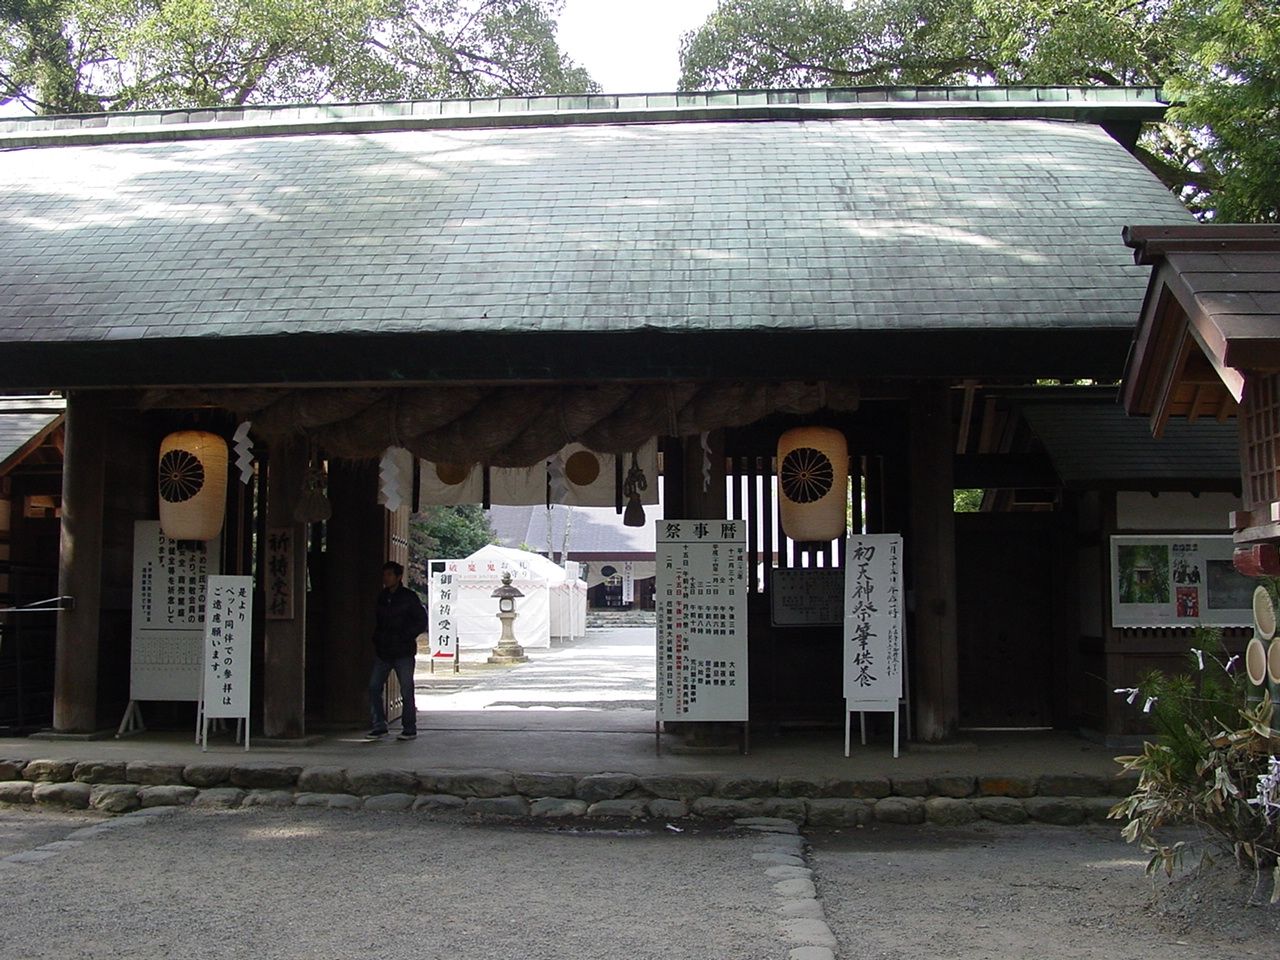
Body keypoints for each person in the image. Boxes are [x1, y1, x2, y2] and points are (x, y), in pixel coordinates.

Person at [367, 560, 426, 741]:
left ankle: (409, 727)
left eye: (389, 575)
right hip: (384, 650)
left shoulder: (409, 597)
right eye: (384, 575)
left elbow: (421, 621)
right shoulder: (382, 597)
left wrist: (406, 635)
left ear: (398, 577)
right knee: (374, 687)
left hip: (403, 651)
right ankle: (379, 725)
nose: (386, 578)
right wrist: (377, 638)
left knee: (406, 689)